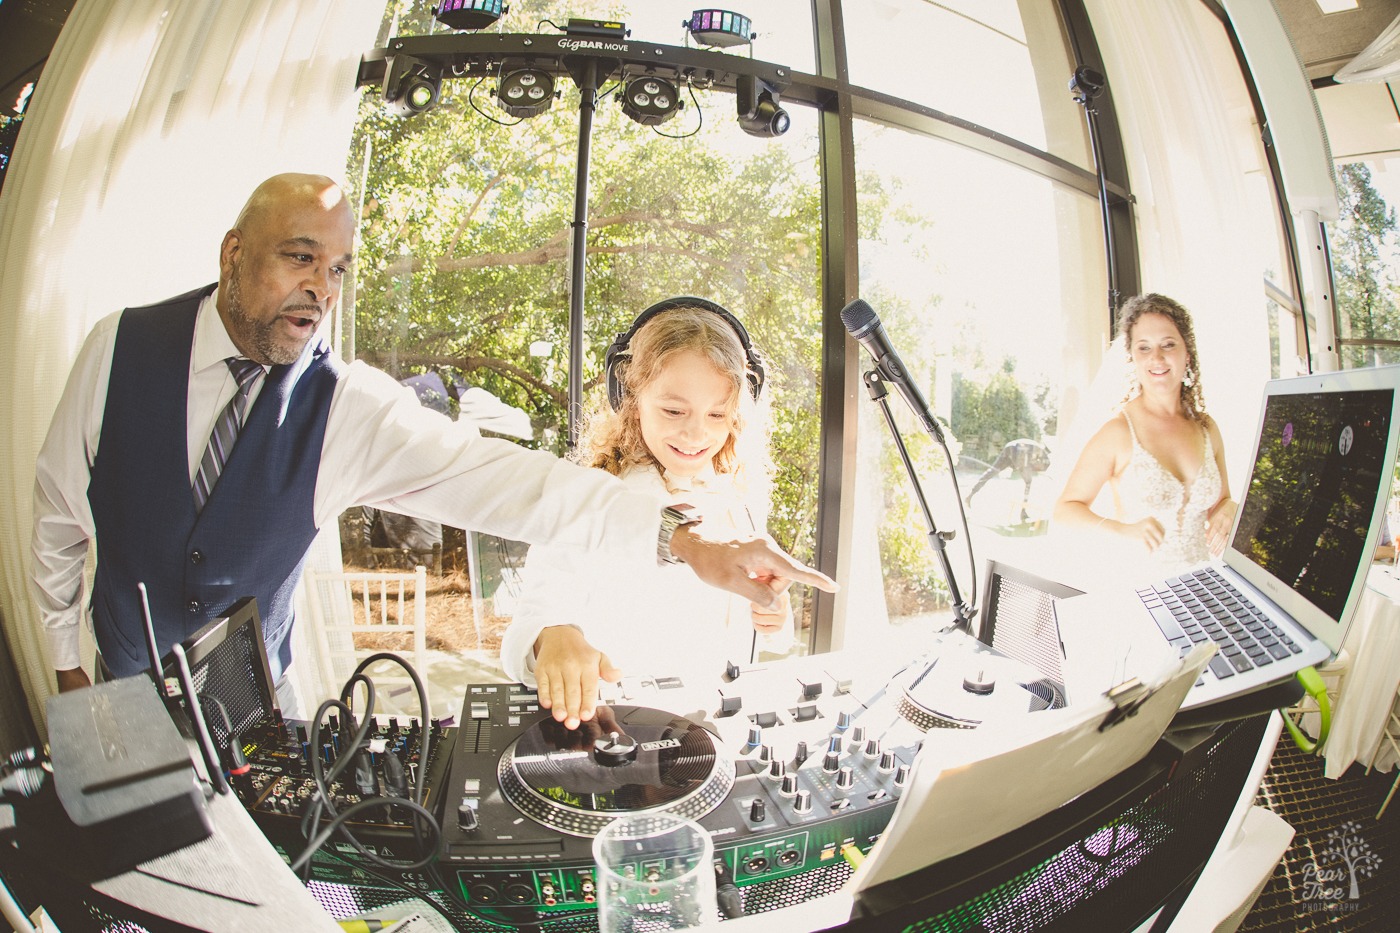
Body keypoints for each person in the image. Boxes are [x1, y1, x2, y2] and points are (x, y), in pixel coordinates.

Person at [29, 173, 835, 714]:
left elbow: (505, 482)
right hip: (116, 693)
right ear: (233, 254)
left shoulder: (344, 406)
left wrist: (688, 547)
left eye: (338, 268)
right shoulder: (116, 348)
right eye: (299, 257)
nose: (321, 289)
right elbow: (60, 522)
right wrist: (68, 672)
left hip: (253, 714)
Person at [501, 299, 794, 728]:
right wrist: (551, 636)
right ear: (632, 399)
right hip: (617, 730)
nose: (697, 432)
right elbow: (523, 633)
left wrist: (774, 619)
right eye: (674, 410)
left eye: (717, 414)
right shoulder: (590, 499)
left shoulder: (739, 502)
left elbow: (745, 632)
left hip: (711, 729)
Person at [1053, 293, 1235, 576]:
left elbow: (1221, 503)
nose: (1157, 358)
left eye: (1168, 344)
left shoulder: (1207, 428)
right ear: (1133, 357)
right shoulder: (1118, 432)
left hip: (1204, 586)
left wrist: (1231, 507)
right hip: (1142, 586)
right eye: (1144, 348)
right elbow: (1065, 510)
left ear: (1187, 353)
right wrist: (1121, 530)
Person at [964, 438, 1051, 521]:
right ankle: (1023, 511)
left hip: (1009, 447)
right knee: (1028, 482)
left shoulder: (1034, 447)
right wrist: (1020, 467)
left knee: (992, 471)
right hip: (1016, 450)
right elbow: (1040, 465)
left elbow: (1027, 462)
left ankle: (970, 495)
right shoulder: (1040, 451)